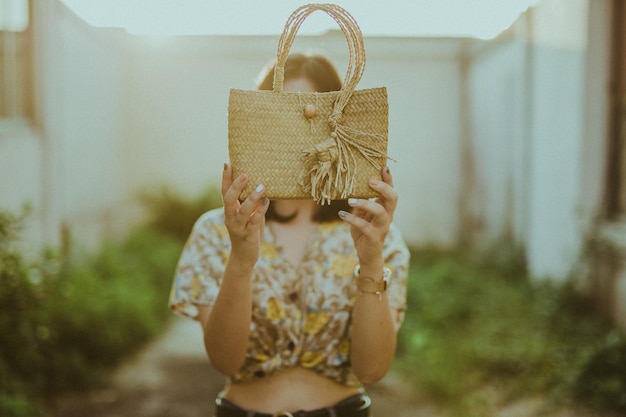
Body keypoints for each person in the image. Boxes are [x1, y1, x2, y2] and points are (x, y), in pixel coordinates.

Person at [169, 53, 410, 417]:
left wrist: (371, 263)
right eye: (287, 117)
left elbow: (373, 370)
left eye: (314, 119)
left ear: (339, 128)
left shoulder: (373, 231)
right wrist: (241, 259)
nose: (300, 136)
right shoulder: (216, 231)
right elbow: (225, 361)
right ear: (261, 123)